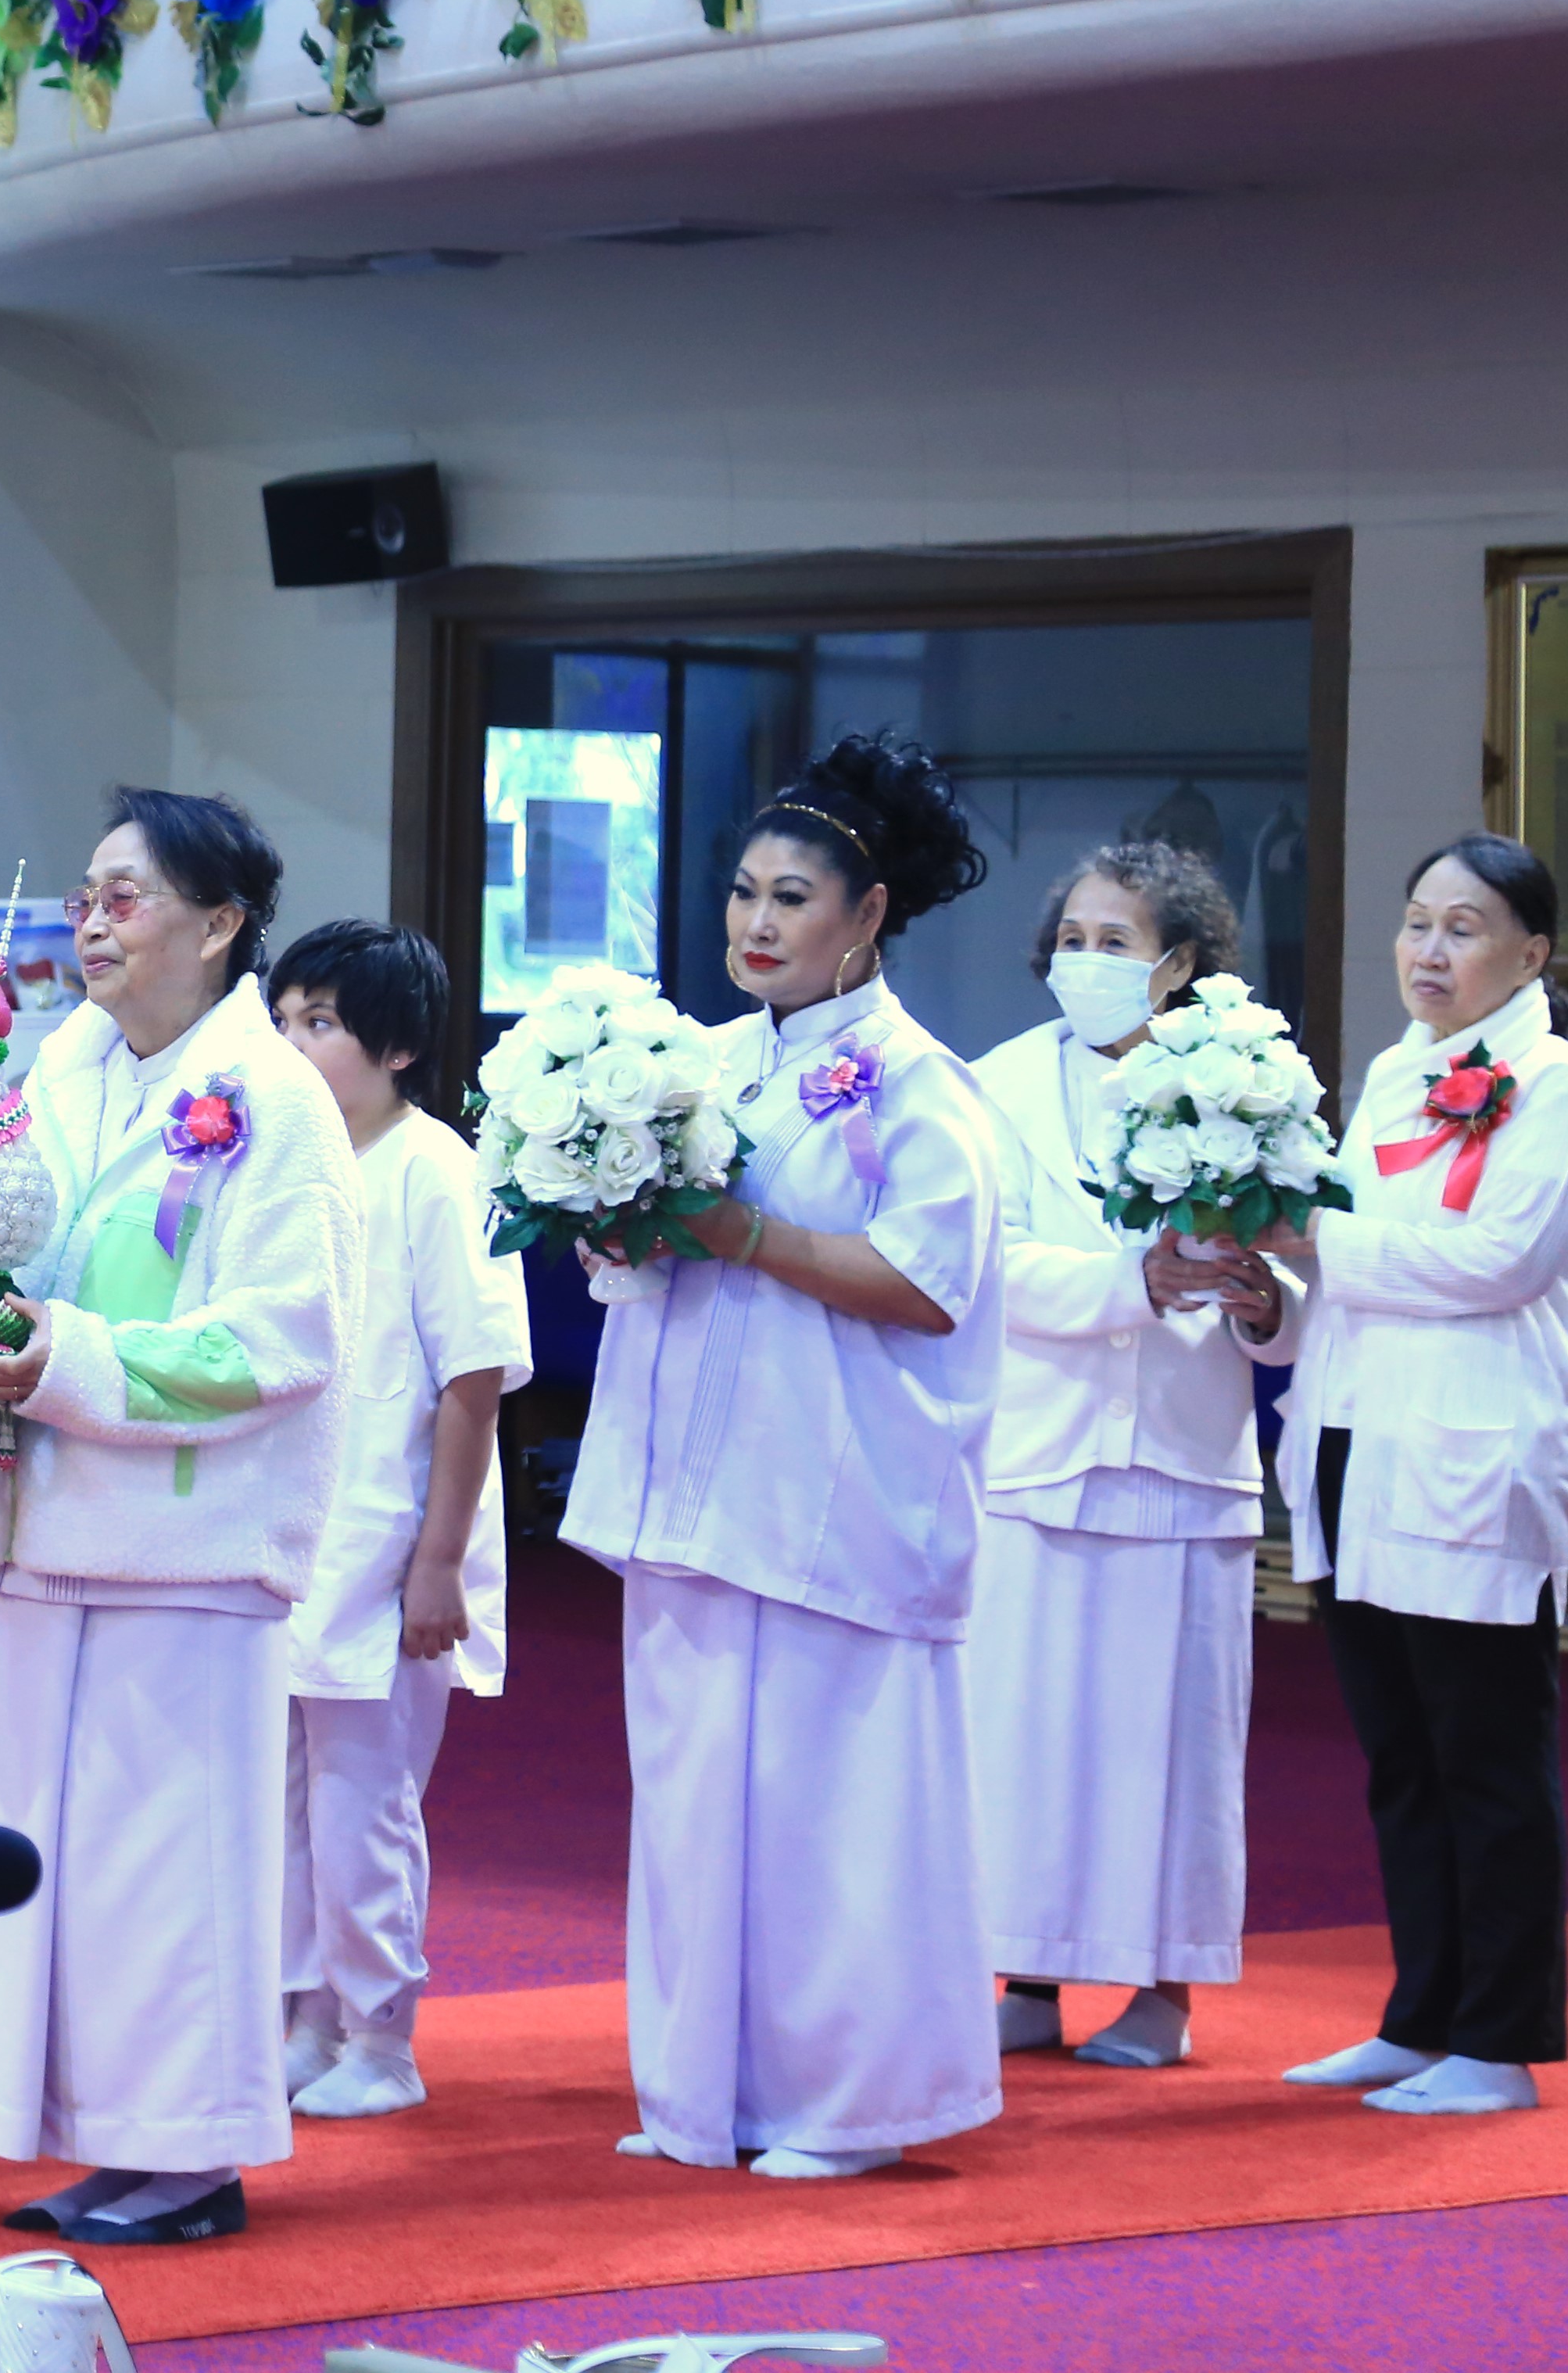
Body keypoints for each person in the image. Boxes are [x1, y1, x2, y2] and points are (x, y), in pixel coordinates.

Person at [0, 787, 356, 2250]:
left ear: (220, 925)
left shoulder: (277, 1097)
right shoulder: (64, 1064)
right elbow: (7, 1233)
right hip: (39, 1526)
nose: (92, 923)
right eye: (87, 895)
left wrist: (65, 1361)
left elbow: (284, 1339)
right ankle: (100, 2135)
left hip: (182, 1545)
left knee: (170, 1868)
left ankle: (191, 2155)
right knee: (54, 1868)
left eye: (128, 896)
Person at [560, 733, 1008, 2181]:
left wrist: (745, 1235)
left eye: (793, 898)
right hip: (699, 1483)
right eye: (745, 892)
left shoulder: (921, 1085)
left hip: (832, 1493)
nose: (756, 923)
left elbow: (929, 1281)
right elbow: (659, 1248)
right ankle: (703, 2098)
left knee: (828, 1814)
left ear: (867, 917)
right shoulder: (701, 1063)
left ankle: (849, 2109)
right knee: (696, 1803)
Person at [1259, 835, 1568, 2119]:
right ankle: (1422, 2015)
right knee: (1401, 1754)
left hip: (1474, 1450)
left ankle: (1501, 2039)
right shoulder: (1400, 1073)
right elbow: (1346, 1278)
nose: (1431, 951)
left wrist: (1315, 1237)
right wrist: (1270, 1294)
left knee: (1487, 1756)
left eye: (1464, 928)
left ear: (1532, 951)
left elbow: (1494, 1263)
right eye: (1417, 924)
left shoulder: (1555, 1082)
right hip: (1358, 1441)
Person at [968, 844, 1297, 2071]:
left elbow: (1298, 1275)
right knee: (1025, 1728)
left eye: (1118, 943)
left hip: (1183, 1446)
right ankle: (1029, 1973)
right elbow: (981, 1266)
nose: (1089, 962)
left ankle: (1165, 1992)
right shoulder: (993, 1084)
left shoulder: (1249, 1083)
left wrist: (1268, 1308)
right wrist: (1129, 1282)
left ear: (1182, 964)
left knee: (1172, 1736)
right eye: (1075, 939)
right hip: (1040, 1444)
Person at [267, 920, 530, 2120]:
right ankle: (303, 2012)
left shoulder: (438, 1171)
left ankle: (383, 2035)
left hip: (393, 1536)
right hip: (290, 1525)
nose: (293, 1043)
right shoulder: (285, 1163)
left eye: (320, 1023)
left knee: (367, 1799)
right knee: (282, 1790)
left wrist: (440, 1561)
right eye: (283, 1019)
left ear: (400, 1048)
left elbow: (473, 1378)